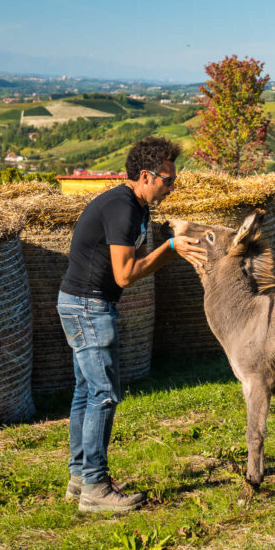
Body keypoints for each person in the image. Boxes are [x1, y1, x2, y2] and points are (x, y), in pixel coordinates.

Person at [57, 136, 206, 513]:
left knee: (86, 391)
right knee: (104, 394)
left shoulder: (139, 208)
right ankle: (95, 488)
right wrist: (170, 248)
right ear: (145, 175)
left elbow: (136, 263)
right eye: (168, 180)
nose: (172, 187)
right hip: (87, 307)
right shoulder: (121, 208)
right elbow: (125, 275)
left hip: (88, 304)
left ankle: (80, 477)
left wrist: (170, 244)